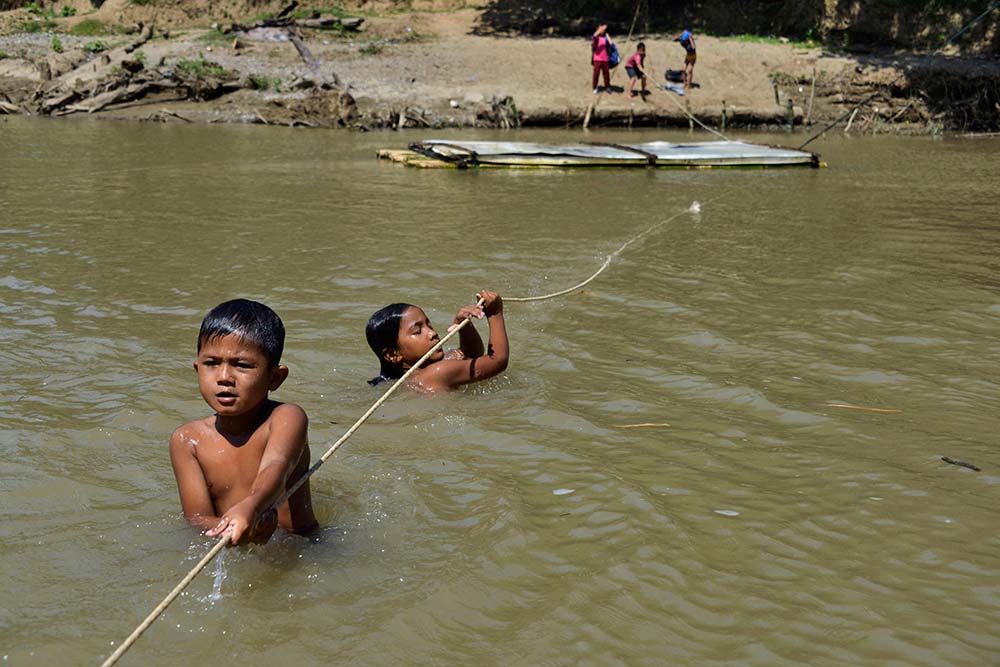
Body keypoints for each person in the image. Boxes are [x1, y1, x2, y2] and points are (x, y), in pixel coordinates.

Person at [170, 299, 318, 546]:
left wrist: (250, 507)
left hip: (299, 547)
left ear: (275, 377)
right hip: (236, 544)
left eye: (242, 365)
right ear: (197, 369)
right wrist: (227, 529)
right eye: (211, 363)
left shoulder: (286, 417)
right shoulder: (187, 441)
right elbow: (196, 519)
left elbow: (276, 467)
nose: (224, 377)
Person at [365, 290, 508, 393]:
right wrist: (495, 314)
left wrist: (464, 326)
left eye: (429, 325)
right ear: (392, 354)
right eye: (417, 331)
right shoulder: (437, 373)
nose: (432, 333)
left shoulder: (414, 378)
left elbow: (470, 354)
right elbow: (498, 360)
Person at [591, 24, 613, 94]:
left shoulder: (605, 37)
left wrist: (607, 36)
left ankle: (607, 87)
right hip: (597, 59)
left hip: (605, 59)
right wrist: (601, 28)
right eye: (601, 29)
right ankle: (594, 87)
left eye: (603, 30)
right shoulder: (596, 37)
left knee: (606, 74)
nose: (603, 31)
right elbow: (593, 36)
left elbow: (611, 44)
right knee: (596, 74)